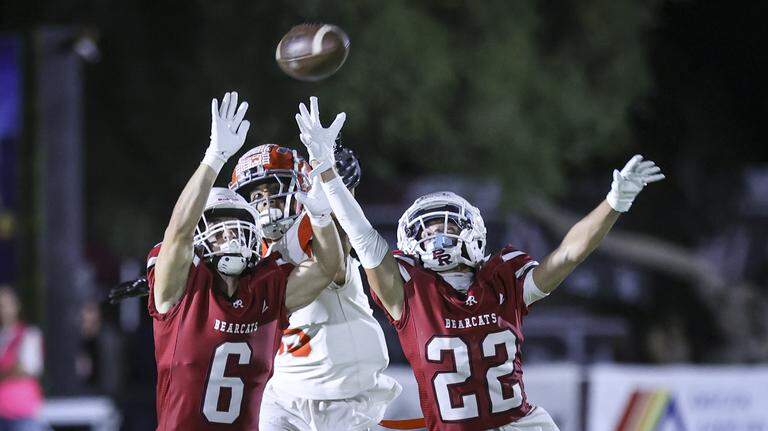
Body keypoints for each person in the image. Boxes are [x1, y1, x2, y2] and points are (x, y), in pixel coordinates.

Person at [295, 97, 665, 431]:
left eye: (446, 225)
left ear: (473, 233)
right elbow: (361, 236)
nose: (436, 237)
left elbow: (570, 252)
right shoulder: (409, 292)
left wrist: (614, 202)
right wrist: (326, 170)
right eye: (427, 229)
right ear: (411, 243)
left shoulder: (503, 279)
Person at [147, 91, 343, 430]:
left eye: (238, 223)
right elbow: (178, 231)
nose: (232, 234)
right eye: (220, 226)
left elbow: (327, 266)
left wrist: (321, 213)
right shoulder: (181, 291)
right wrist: (214, 158)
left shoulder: (264, 291)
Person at [231, 144, 400, 431]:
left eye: (273, 188)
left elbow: (342, 236)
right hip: (284, 389)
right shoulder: (248, 250)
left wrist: (337, 184)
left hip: (343, 392)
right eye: (256, 195)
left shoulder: (312, 224)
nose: (265, 201)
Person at [0, 286, 45, 431]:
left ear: (16, 306)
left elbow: (27, 368)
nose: (3, 309)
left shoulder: (29, 334)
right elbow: (16, 368)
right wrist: (11, 369)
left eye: (7, 304)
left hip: (22, 413)